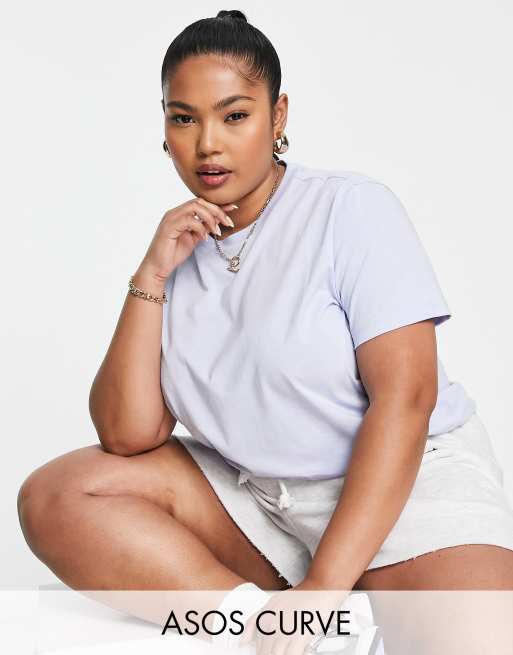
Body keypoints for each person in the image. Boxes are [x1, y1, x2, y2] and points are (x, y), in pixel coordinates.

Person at [17, 8, 513, 654]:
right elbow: (127, 434)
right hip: (265, 502)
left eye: (234, 115)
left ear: (277, 117)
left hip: (406, 484)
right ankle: (272, 627)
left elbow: (406, 399)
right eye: (183, 118)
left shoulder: (348, 208)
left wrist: (324, 586)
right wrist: (151, 273)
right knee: (58, 495)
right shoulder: (179, 248)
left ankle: (319, 610)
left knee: (481, 641)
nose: (207, 145)